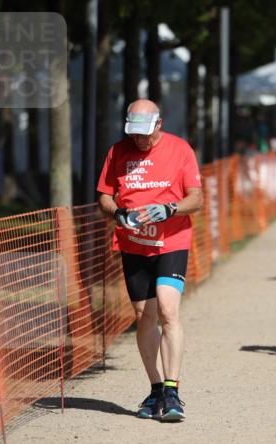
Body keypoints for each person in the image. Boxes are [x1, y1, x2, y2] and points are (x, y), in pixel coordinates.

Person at [97, 99, 203, 421]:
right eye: (134, 134)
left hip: (171, 241)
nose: (139, 140)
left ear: (159, 124)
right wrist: (118, 213)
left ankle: (173, 391)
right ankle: (155, 387)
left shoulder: (180, 149)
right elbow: (103, 195)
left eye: (145, 133)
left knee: (168, 312)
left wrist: (169, 209)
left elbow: (196, 198)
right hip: (134, 245)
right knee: (145, 317)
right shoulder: (118, 152)